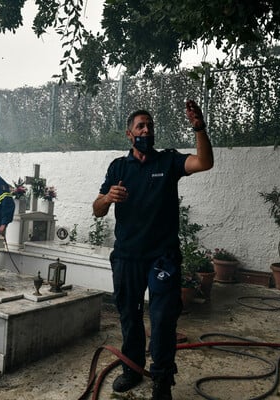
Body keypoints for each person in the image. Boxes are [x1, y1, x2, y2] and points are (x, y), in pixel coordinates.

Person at [92, 100, 214, 400]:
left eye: (150, 126)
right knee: (129, 316)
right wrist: (107, 198)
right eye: (141, 126)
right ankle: (132, 369)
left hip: (163, 256)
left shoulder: (168, 162)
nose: (147, 130)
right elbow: (96, 210)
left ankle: (162, 380)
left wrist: (199, 127)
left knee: (162, 318)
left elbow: (204, 162)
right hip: (127, 257)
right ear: (129, 134)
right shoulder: (118, 167)